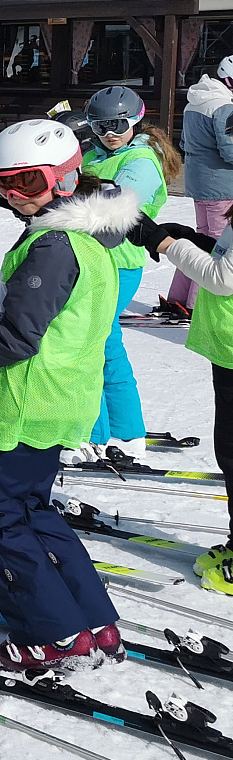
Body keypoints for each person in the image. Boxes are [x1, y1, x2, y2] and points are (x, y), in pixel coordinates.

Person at [0, 119, 133, 669]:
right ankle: (92, 621)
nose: (13, 194)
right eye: (1, 182)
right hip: (60, 395)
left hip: (27, 402)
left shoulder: (54, 245)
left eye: (26, 181)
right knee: (29, 507)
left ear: (66, 177)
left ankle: (52, 634)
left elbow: (17, 336)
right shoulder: (87, 238)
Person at [131, 205, 233, 593]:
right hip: (227, 351)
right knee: (229, 452)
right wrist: (196, 239)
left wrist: (167, 244)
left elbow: (222, 279)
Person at [80, 85, 180, 456]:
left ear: (135, 121)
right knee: (104, 344)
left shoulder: (141, 161)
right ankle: (124, 431)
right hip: (91, 259)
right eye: (101, 126)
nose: (110, 133)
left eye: (118, 125)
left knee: (89, 345)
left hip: (118, 263)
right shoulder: (95, 153)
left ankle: (96, 433)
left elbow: (115, 207)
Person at [167, 57, 233, 318]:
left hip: (199, 181)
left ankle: (179, 297)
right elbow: (229, 148)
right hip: (221, 184)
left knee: (200, 238)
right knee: (216, 244)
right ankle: (195, 303)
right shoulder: (224, 106)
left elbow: (184, 142)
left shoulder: (195, 100)